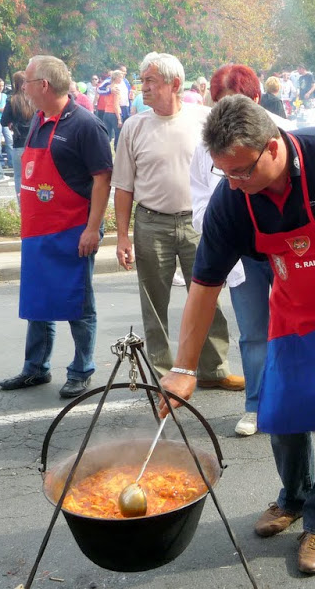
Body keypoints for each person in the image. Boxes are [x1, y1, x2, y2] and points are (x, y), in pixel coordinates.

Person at [159, 94, 315, 575]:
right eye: (225, 174)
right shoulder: (232, 201)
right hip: (296, 309)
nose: (235, 185)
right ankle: (295, 496)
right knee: (280, 413)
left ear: (273, 147)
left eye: (242, 172)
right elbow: (204, 283)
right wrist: (183, 369)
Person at [112, 52, 242, 389]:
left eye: (151, 81)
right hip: (151, 223)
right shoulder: (134, 126)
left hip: (198, 224)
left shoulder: (204, 119)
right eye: (142, 81)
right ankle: (162, 373)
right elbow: (123, 187)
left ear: (175, 84)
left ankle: (214, 368)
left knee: (207, 293)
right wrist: (122, 236)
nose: (144, 88)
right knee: (154, 302)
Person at [0, 55, 113, 398]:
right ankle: (36, 368)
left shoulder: (85, 125)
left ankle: (81, 370)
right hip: (38, 229)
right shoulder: (38, 118)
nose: (24, 90)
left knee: (79, 302)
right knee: (39, 300)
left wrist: (93, 229)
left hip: (74, 227)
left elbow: (103, 180)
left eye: (28, 83)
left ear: (43, 86)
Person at [190, 64, 296, 436]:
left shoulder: (287, 132)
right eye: (218, 104)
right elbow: (200, 205)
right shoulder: (209, 148)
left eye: (234, 103)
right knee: (253, 332)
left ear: (256, 99)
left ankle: (307, 400)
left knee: (301, 327)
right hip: (244, 257)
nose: (223, 114)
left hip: (288, 251)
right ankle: (256, 405)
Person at [2, 71, 36, 201]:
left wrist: (12, 122)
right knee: (35, 176)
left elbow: (3, 121)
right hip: (34, 142)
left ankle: (22, 205)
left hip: (19, 142)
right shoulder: (34, 99)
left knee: (19, 176)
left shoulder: (12, 100)